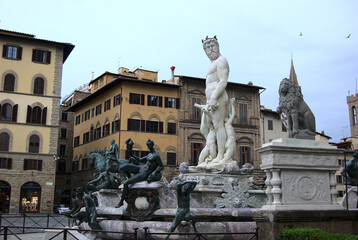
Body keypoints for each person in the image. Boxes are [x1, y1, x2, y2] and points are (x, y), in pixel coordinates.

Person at [200, 36, 229, 163]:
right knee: (204, 127)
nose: (209, 50)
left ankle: (220, 156)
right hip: (210, 99)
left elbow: (223, 81)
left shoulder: (221, 60)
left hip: (217, 97)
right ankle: (213, 150)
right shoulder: (213, 64)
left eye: (212, 46)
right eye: (207, 48)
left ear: (218, 46)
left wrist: (213, 97)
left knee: (219, 126)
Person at [116, 139, 164, 207]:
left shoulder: (156, 155)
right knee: (122, 167)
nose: (149, 147)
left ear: (152, 145)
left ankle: (121, 202)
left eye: (150, 145)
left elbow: (161, 167)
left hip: (145, 173)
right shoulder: (149, 154)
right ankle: (130, 178)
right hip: (140, 167)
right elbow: (139, 159)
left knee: (126, 183)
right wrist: (130, 152)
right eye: (148, 145)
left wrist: (154, 172)